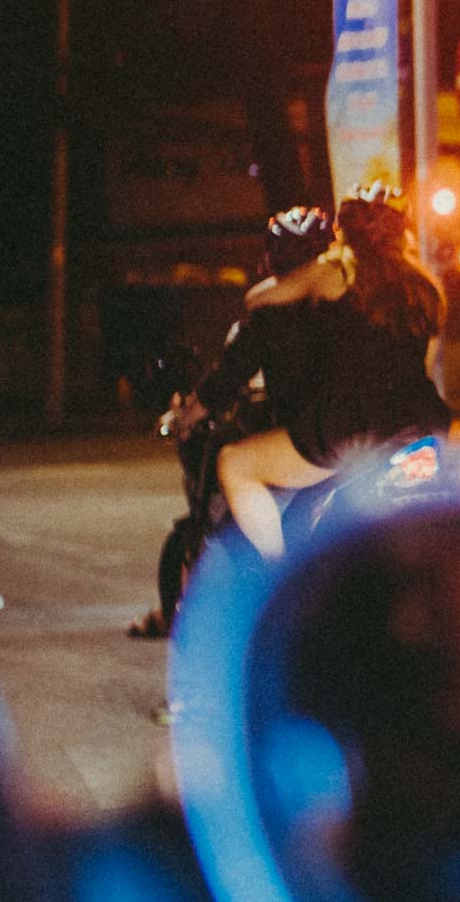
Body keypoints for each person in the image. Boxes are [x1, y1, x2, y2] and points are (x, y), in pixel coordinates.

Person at [129, 206, 337, 636]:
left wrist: (187, 415)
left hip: (319, 437)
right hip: (396, 426)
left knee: (237, 469)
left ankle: (280, 579)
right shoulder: (373, 303)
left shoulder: (270, 312)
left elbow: (226, 379)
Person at [217, 184, 450, 559]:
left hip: (348, 425)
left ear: (344, 229)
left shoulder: (333, 271)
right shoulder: (427, 287)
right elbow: (426, 365)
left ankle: (283, 571)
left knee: (235, 463)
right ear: (402, 232)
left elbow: (258, 300)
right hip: (419, 422)